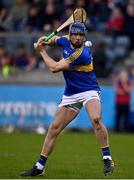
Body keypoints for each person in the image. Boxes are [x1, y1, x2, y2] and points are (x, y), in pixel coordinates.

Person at [20, 22, 114, 177]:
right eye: (75, 35)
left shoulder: (81, 54)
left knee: (96, 119)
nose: (78, 38)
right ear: (70, 35)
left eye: (81, 35)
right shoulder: (65, 40)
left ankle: (107, 158)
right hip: (71, 93)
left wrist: (42, 51)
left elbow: (55, 68)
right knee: (54, 129)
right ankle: (39, 167)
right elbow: (55, 39)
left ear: (84, 37)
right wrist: (45, 39)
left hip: (89, 90)